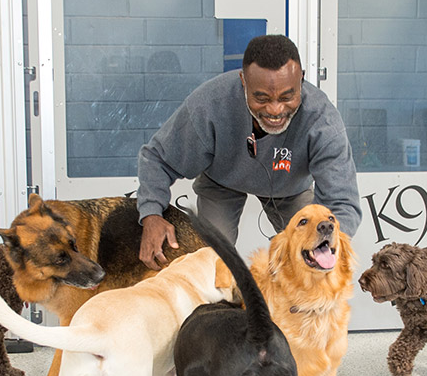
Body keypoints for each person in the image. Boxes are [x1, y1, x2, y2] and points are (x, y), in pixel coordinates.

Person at [137, 34, 362, 270]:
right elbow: (157, 158)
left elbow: (342, 204)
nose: (275, 110)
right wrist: (151, 214)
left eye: (287, 96)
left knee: (315, 259)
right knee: (209, 262)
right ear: (244, 81)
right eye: (261, 98)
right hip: (222, 179)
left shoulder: (322, 120)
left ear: (302, 80)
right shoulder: (209, 104)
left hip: (290, 188)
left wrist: (325, 247)